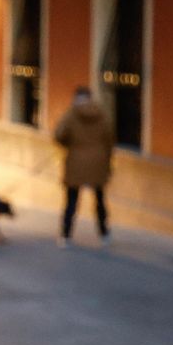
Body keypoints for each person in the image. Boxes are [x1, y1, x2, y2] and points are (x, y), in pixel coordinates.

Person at [53, 86, 116, 247]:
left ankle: (66, 235)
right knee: (99, 199)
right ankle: (104, 233)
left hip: (76, 162)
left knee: (71, 200)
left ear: (76, 98)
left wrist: (68, 144)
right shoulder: (102, 114)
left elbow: (59, 135)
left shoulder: (71, 114)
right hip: (98, 161)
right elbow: (109, 139)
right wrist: (108, 161)